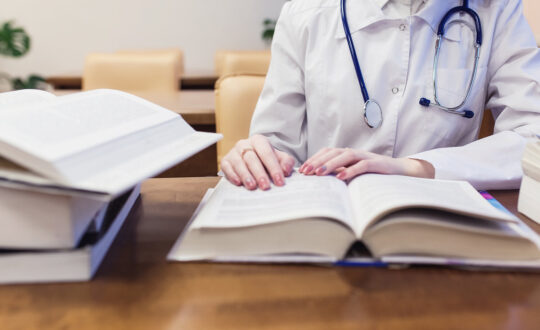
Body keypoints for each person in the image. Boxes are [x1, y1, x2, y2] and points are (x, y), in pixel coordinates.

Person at [220, 0, 540, 191]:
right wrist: (257, 157)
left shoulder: (495, 10)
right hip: (326, 221)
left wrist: (418, 166)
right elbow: (277, 147)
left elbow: (534, 137)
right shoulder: (306, 12)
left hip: (436, 216)